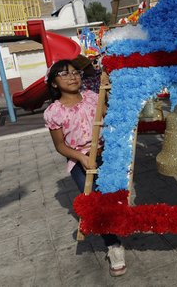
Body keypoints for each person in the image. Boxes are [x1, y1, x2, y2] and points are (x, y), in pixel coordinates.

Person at [43, 59, 127, 277]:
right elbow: (60, 146)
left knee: (113, 197)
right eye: (64, 74)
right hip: (79, 162)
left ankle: (118, 225)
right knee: (95, 203)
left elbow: (109, 114)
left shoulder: (92, 97)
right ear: (53, 83)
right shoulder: (53, 112)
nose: (72, 77)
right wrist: (81, 156)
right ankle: (114, 247)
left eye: (75, 72)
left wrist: (113, 94)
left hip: (106, 155)